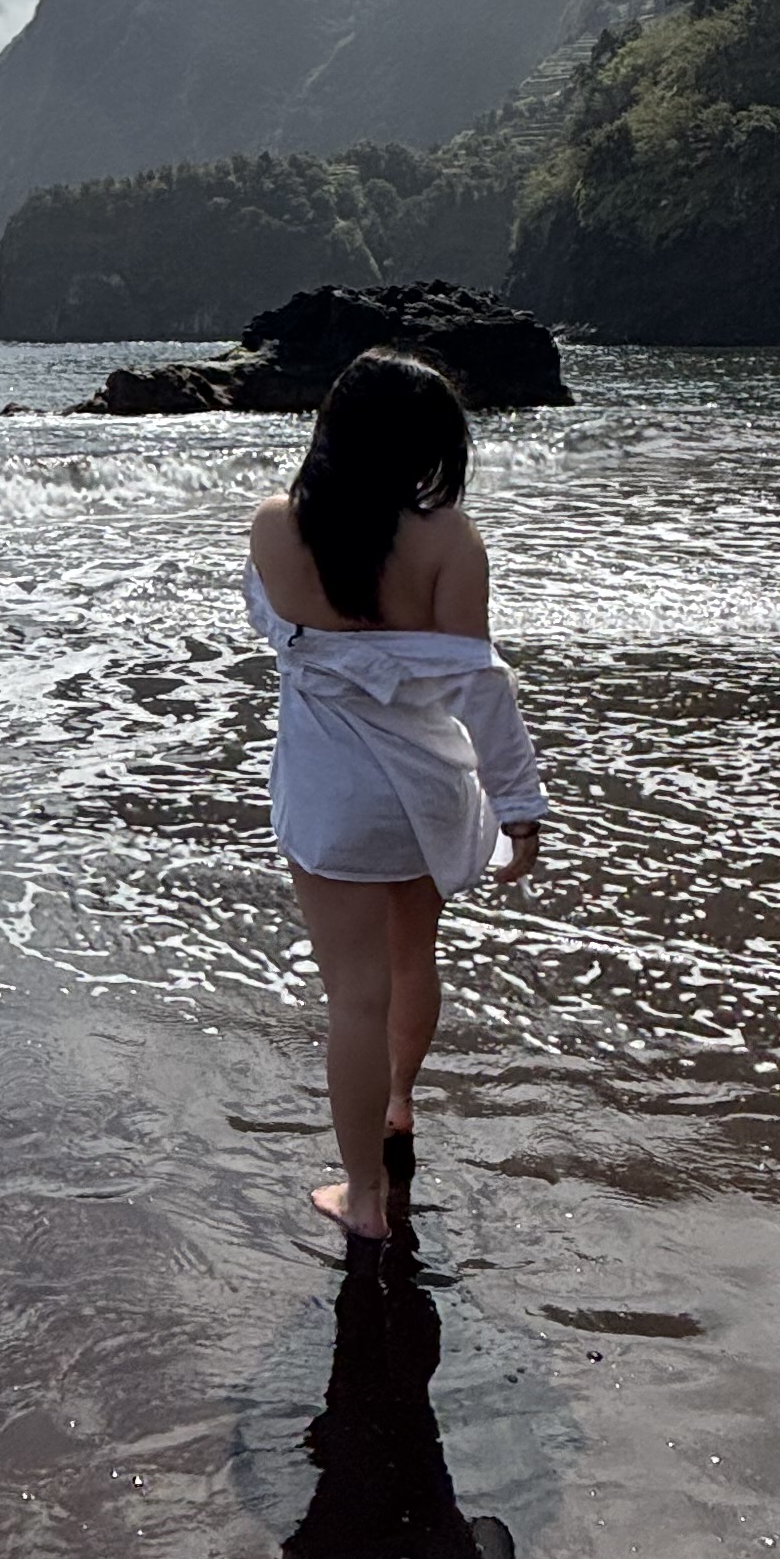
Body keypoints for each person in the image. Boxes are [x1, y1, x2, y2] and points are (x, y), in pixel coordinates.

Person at [245, 349, 546, 1246]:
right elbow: (479, 688)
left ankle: (364, 1197)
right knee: (413, 960)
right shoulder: (449, 540)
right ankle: (399, 1104)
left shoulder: (275, 526)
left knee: (354, 996)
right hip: (424, 785)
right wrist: (519, 806)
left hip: (333, 790)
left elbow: (277, 633)